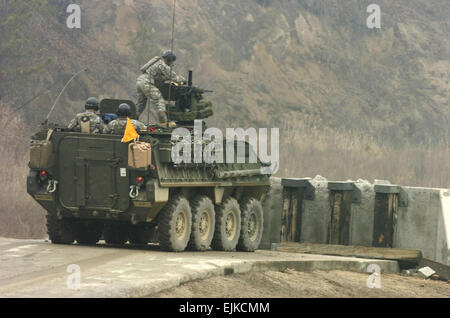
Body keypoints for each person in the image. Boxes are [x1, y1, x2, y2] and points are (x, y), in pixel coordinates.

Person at [136, 50, 185, 127]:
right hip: (147, 82)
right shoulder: (163, 66)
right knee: (159, 100)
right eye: (172, 61)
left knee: (140, 105)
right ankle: (164, 122)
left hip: (140, 81)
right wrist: (183, 80)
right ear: (170, 60)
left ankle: (132, 120)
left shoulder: (157, 62)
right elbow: (175, 78)